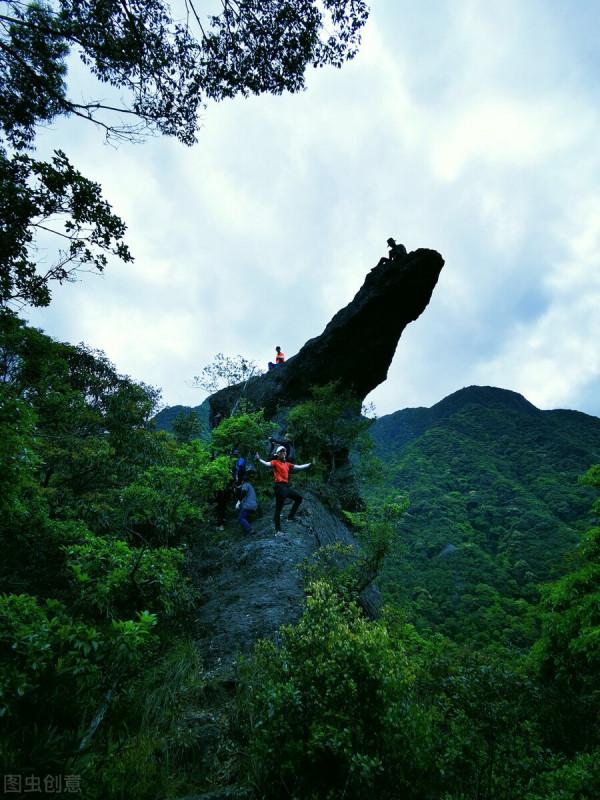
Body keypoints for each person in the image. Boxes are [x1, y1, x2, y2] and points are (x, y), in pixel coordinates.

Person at [255, 445, 311, 535]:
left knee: (299, 498)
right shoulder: (275, 462)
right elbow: (267, 464)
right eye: (281, 452)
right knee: (278, 509)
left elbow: (299, 467)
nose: (283, 453)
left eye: (284, 451)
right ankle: (278, 531)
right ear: (277, 454)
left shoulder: (287, 464)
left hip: (286, 487)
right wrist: (259, 459)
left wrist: (309, 464)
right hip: (279, 487)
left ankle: (290, 517)